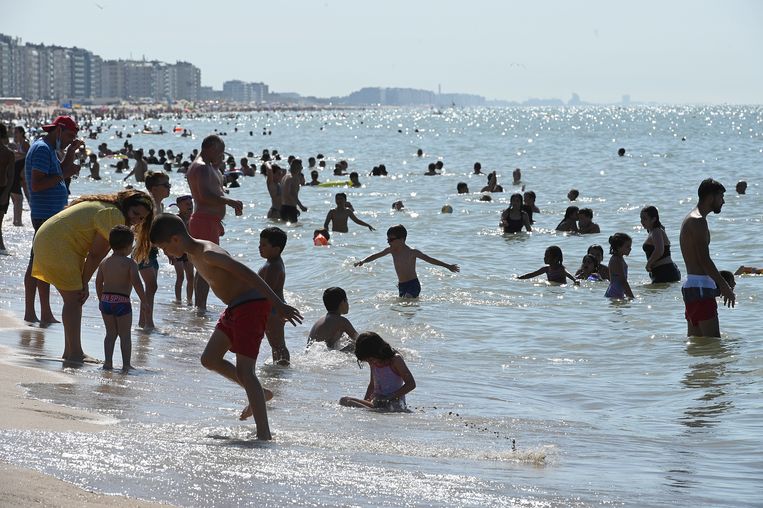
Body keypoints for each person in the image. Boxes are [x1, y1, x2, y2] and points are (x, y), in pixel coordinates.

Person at [149, 214, 303, 440]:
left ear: (175, 240)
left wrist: (278, 304)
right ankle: (260, 393)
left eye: (164, 248)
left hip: (251, 306)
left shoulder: (209, 252)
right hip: (235, 307)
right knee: (209, 359)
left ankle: (264, 434)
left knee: (245, 371)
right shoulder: (191, 254)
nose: (165, 254)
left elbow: (248, 274)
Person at [32, 190, 154, 362]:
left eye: (142, 218)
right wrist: (84, 282)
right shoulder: (114, 215)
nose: (137, 220)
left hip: (48, 239)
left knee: (73, 300)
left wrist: (84, 281)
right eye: (135, 214)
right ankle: (75, 353)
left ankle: (70, 351)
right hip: (58, 244)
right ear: (126, 206)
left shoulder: (108, 207)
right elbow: (96, 254)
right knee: (74, 300)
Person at [24, 116, 84, 324]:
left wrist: (71, 153)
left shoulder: (48, 148)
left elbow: (59, 170)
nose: (69, 140)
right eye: (68, 136)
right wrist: (65, 174)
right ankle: (38, 313)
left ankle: (38, 313)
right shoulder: (42, 149)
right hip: (44, 214)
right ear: (58, 130)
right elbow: (37, 184)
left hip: (48, 213)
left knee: (38, 263)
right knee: (40, 264)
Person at [187, 135, 243, 311]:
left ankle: (199, 307)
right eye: (219, 151)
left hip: (206, 220)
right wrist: (229, 201)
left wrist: (217, 165)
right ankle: (201, 308)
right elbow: (205, 196)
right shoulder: (202, 168)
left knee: (202, 266)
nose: (221, 155)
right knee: (207, 265)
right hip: (204, 221)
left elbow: (211, 188)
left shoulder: (205, 166)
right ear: (209, 148)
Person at [679, 179, 735, 337]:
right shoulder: (698, 221)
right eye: (721, 196)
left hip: (691, 286)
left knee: (698, 348)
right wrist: (724, 287)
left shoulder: (690, 218)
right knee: (715, 348)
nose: (723, 201)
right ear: (711, 197)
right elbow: (704, 260)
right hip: (701, 288)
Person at [354, 224, 459, 298]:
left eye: (391, 239)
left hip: (413, 284)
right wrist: (363, 261)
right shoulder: (391, 250)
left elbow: (430, 260)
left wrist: (448, 266)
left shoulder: (412, 252)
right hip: (402, 285)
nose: (388, 242)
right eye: (387, 239)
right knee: (404, 308)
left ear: (402, 239)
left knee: (407, 300)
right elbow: (376, 255)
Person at [95, 225, 147, 371]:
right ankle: (126, 365)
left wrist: (101, 299)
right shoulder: (130, 263)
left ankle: (108, 363)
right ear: (128, 246)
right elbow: (137, 283)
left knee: (110, 334)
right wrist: (144, 301)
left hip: (106, 301)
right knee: (125, 335)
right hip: (122, 301)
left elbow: (98, 282)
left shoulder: (104, 262)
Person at [339, 332, 415, 412]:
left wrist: (389, 397)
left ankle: (370, 411)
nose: (371, 363)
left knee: (367, 408)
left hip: (393, 403)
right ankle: (369, 411)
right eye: (368, 361)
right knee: (344, 400)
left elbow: (411, 384)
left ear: (378, 351)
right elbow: (372, 385)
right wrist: (365, 401)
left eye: (371, 360)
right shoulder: (374, 362)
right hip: (377, 402)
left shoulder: (395, 360)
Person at [137, 171, 171, 329]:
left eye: (169, 184)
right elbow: (141, 229)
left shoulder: (160, 205)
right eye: (166, 185)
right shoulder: (149, 204)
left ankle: (143, 321)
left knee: (151, 287)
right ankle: (147, 323)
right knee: (151, 286)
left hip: (152, 251)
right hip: (143, 250)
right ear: (154, 188)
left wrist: (166, 250)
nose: (169, 187)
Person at [258, 227, 291, 366]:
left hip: (273, 311)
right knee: (276, 345)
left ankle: (283, 370)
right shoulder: (272, 262)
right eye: (259, 244)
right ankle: (278, 369)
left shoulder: (273, 267)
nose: (260, 247)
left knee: (278, 345)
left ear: (276, 249)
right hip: (273, 310)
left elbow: (267, 292)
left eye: (264, 245)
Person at [307, 287, 359, 351]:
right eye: (347, 300)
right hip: (324, 356)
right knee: (355, 345)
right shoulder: (342, 321)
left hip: (312, 355)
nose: (348, 304)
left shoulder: (321, 320)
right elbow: (359, 340)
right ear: (343, 302)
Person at [640, 206, 680, 283]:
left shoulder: (656, 231)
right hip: (663, 271)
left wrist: (648, 264)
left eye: (645, 219)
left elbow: (659, 250)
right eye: (641, 218)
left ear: (654, 219)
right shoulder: (653, 231)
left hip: (665, 272)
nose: (642, 221)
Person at [169, 195, 195, 304]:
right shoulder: (176, 219)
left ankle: (189, 301)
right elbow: (169, 236)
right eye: (187, 204)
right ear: (179, 206)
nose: (190, 206)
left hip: (188, 251)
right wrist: (169, 253)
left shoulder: (193, 218)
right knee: (180, 276)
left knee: (191, 277)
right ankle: (178, 301)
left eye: (191, 204)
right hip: (176, 251)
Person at [11, 126, 31, 227]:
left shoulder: (25, 143)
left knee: (26, 197)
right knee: (18, 198)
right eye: (14, 133)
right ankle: (17, 221)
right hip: (18, 174)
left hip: (23, 174)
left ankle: (19, 221)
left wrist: (17, 154)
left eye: (16, 133)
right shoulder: (18, 144)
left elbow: (29, 156)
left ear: (21, 133)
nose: (14, 135)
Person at [604, 233, 634, 299]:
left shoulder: (619, 258)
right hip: (614, 294)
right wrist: (631, 297)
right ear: (618, 247)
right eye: (627, 246)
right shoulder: (616, 260)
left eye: (630, 246)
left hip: (617, 293)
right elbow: (623, 281)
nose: (630, 249)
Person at [0, 124, 15, 253]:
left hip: (2, 189)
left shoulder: (8, 153)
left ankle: (2, 248)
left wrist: (6, 194)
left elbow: (11, 177)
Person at [280, 158, 308, 222]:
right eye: (301, 167)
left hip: (283, 207)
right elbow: (292, 193)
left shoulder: (285, 177)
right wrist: (301, 206)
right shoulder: (294, 178)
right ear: (297, 167)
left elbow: (284, 192)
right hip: (290, 208)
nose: (301, 168)